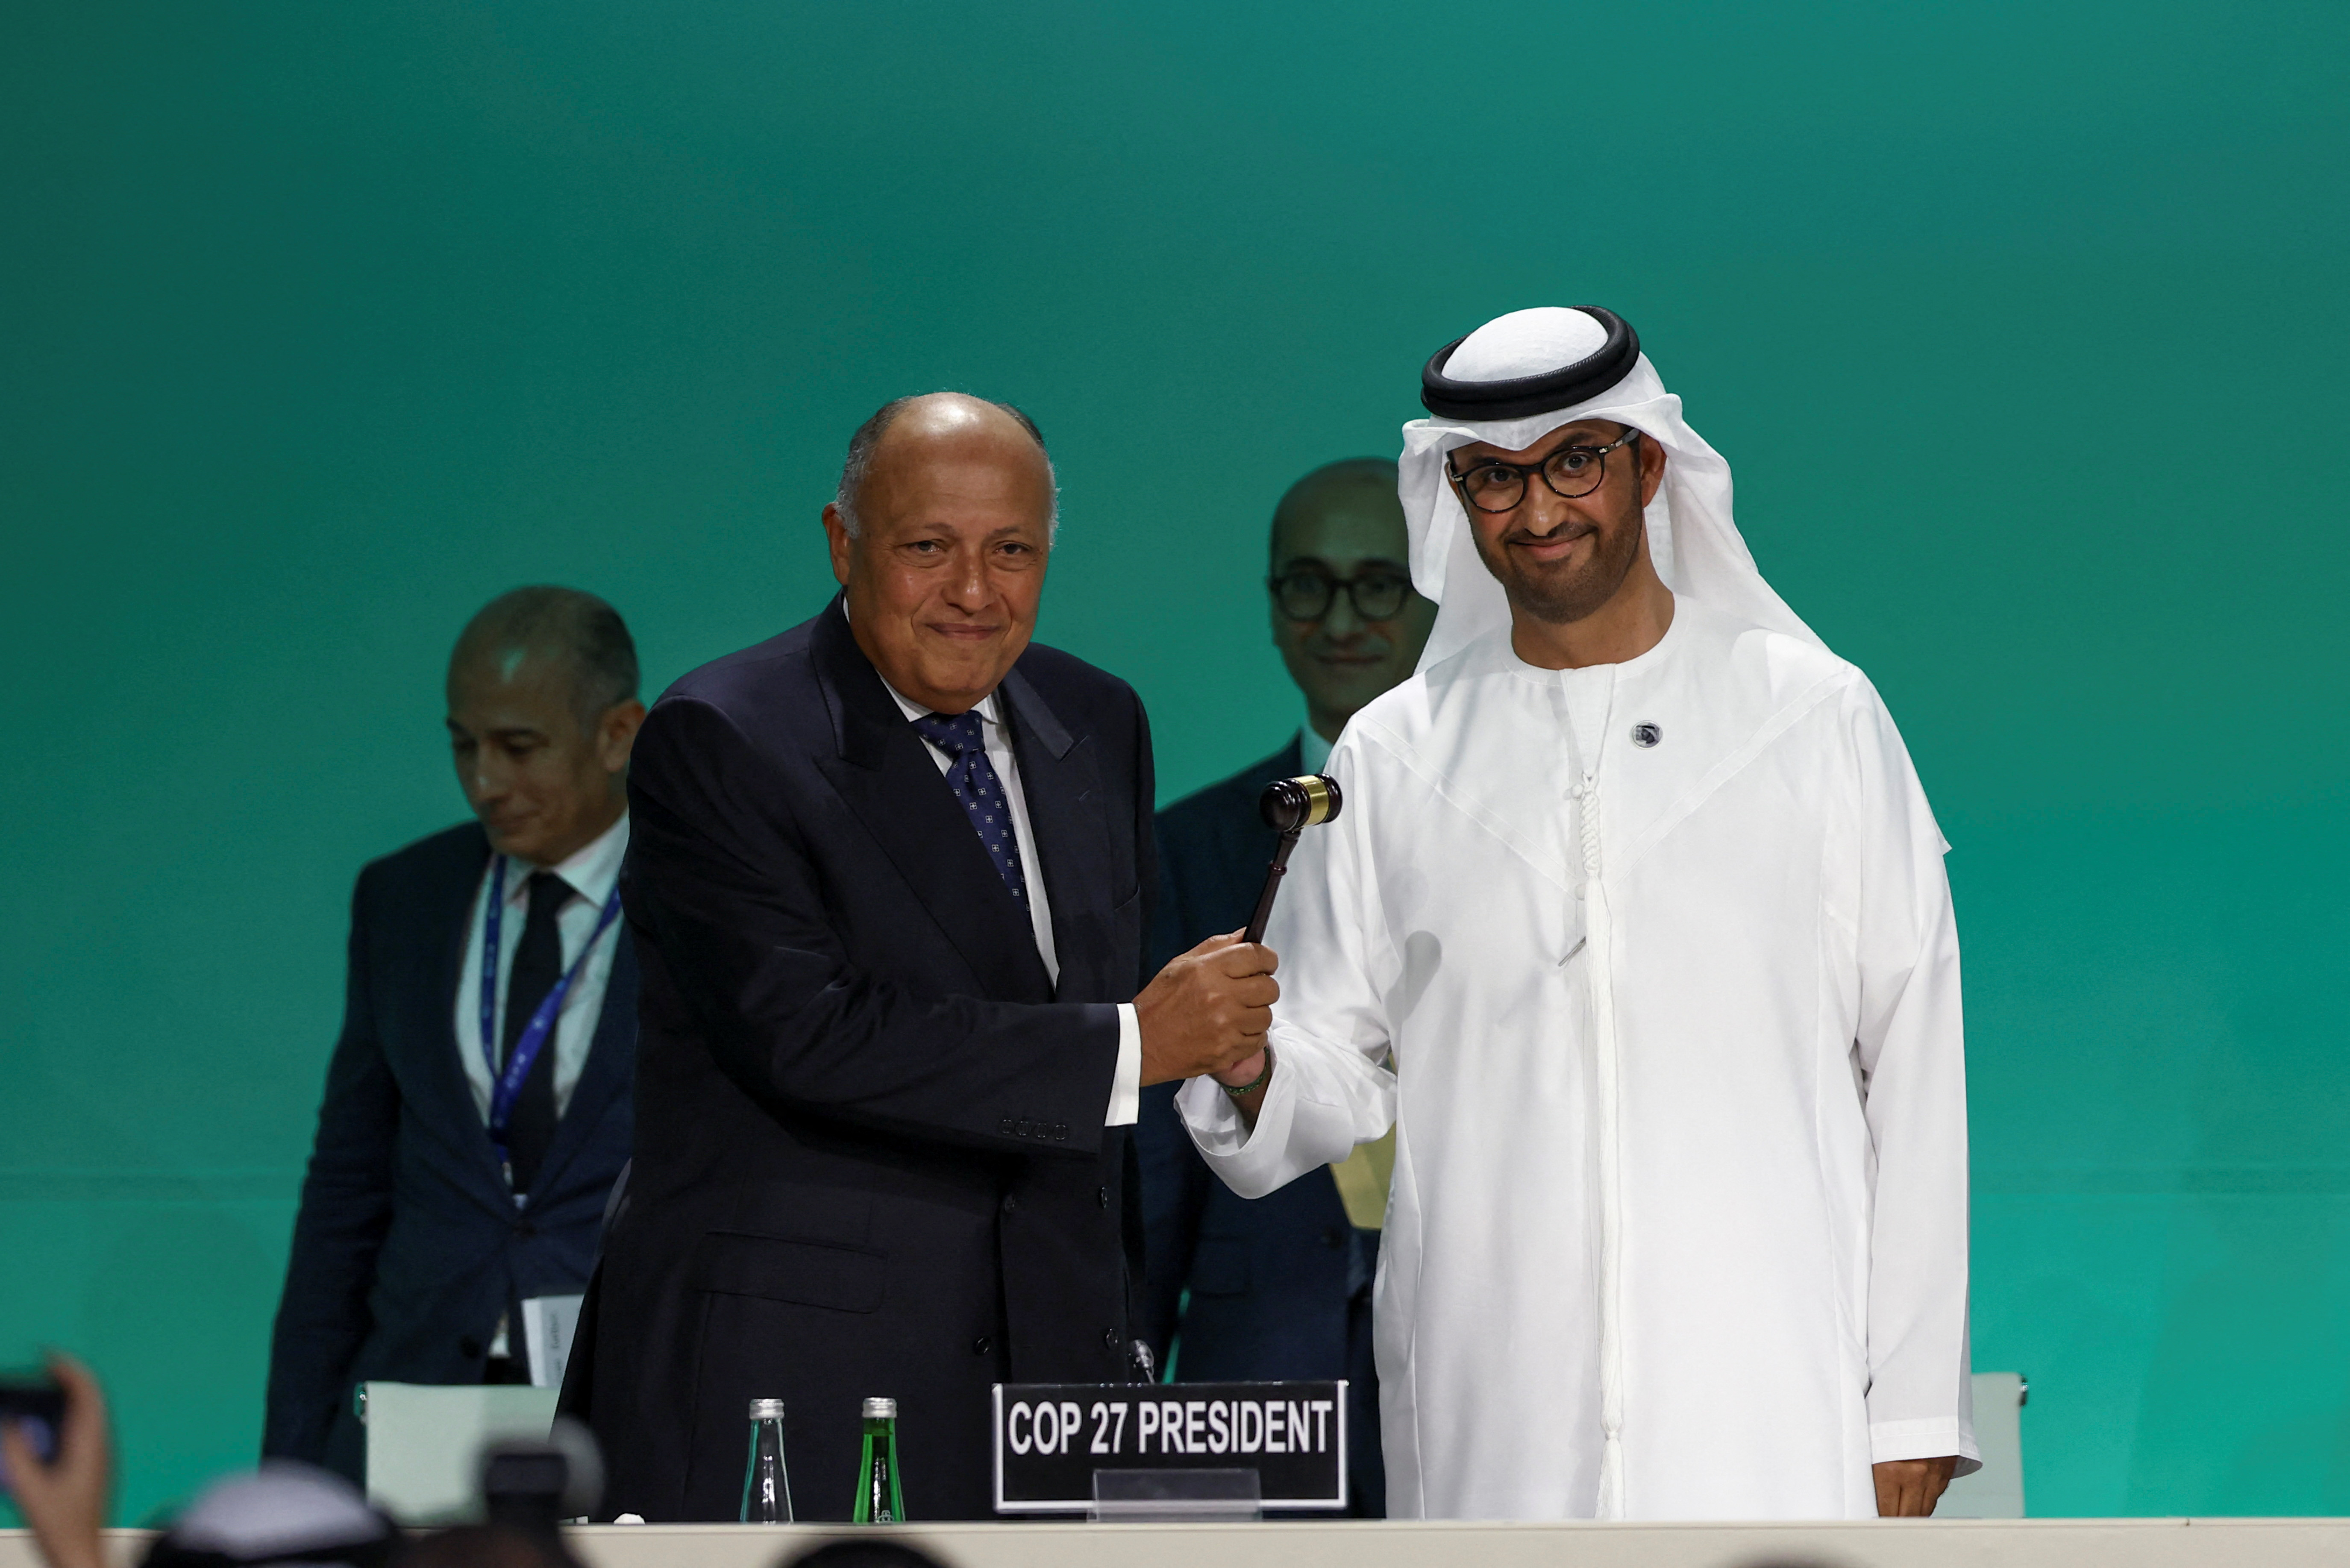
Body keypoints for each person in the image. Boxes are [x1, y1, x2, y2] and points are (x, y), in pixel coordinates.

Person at [1175, 307, 1974, 1520]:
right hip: (1488, 1404)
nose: (1538, 510)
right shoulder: (1394, 751)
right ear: (1454, 493)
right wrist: (1246, 1062)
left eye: (1574, 461)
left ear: (1648, 464)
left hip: (1765, 1399)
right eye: (1494, 477)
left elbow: (1913, 1064)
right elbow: (1332, 1060)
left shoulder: (1812, 717)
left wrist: (1909, 1401)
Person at [576, 393, 1277, 1521]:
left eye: (1011, 550)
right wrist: (1136, 1041)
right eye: (927, 547)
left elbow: (1094, 1119)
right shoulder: (723, 735)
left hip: (1055, 1390)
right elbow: (811, 1033)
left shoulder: (1096, 719)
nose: (973, 591)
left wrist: (1123, 1342)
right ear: (841, 541)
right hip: (801, 1381)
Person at [265, 589, 646, 1479]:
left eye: (518, 746)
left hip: (628, 1401)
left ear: (618, 733)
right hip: (414, 1399)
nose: (484, 780)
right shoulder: (405, 898)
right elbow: (345, 1195)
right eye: (463, 744)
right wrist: (292, 1459)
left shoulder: (704, 895)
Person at [1137, 458, 1434, 1516]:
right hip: (1250, 1357)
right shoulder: (1180, 849)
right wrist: (1128, 1351)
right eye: (1305, 583)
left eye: (1378, 583)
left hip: (1476, 1346)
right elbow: (1149, 1149)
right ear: (1271, 605)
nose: (1340, 617)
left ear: (1434, 593)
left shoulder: (1522, 824)